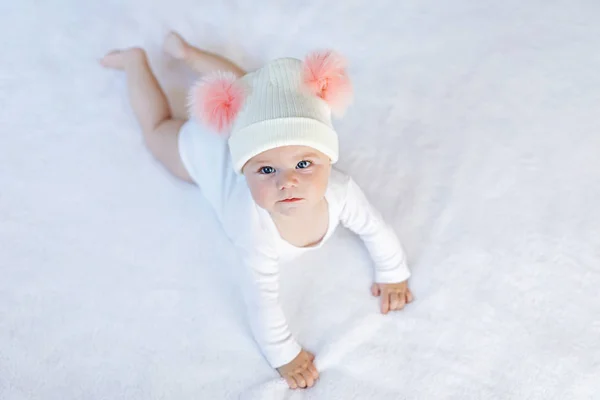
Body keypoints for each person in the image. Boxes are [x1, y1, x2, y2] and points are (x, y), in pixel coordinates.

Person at [100, 31, 414, 390]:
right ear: (245, 172)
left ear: (329, 159)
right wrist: (284, 353)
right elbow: (262, 300)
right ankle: (134, 61)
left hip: (248, 120)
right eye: (266, 170)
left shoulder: (341, 192)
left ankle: (190, 53)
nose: (287, 182)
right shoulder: (255, 229)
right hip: (206, 151)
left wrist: (393, 271)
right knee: (159, 131)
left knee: (245, 89)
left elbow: (375, 227)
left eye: (304, 164)